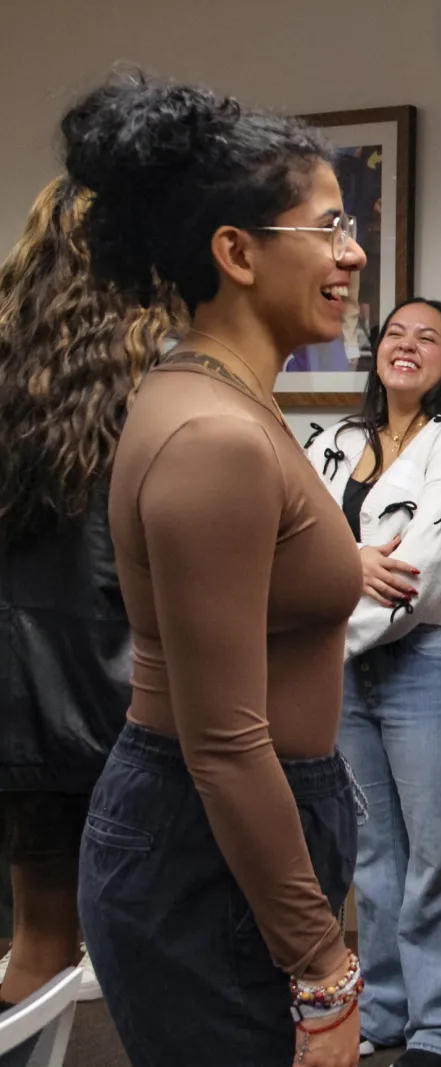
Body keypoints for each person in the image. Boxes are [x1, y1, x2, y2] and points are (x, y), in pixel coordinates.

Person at [63, 71, 368, 1067]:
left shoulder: (214, 401)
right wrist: (323, 967)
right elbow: (227, 743)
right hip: (212, 839)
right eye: (327, 228)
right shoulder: (215, 437)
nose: (351, 252)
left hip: (231, 826)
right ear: (235, 252)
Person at [0, 177, 184, 1009]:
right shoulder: (162, 381)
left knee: (36, 943)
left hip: (18, 700)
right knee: (160, 946)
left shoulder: (8, 366)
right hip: (124, 696)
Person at [304, 297, 441, 1066]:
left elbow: (415, 575)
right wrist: (343, 574)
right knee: (369, 849)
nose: (406, 344)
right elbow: (298, 548)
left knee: (438, 850)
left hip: (429, 659)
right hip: (342, 666)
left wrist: (322, 625)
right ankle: (385, 1007)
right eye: (395, 332)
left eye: (429, 337)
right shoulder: (331, 442)